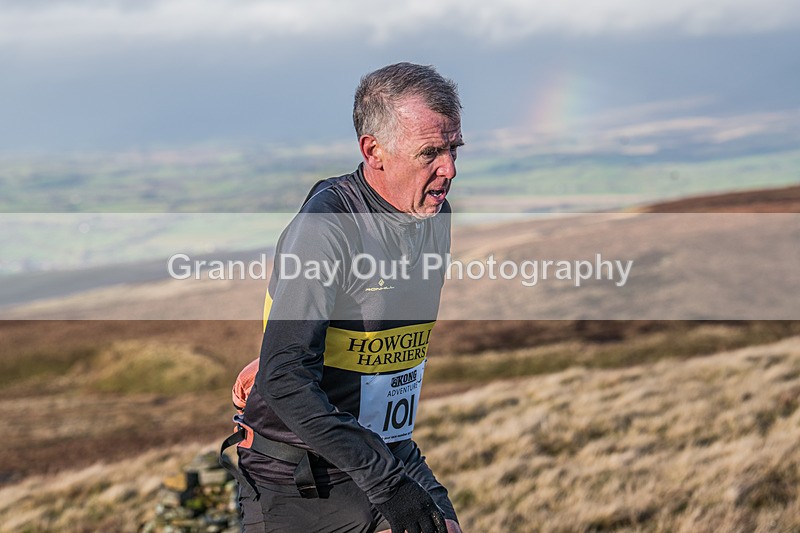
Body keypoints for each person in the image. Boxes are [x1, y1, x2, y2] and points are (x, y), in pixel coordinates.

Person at [235, 62, 464, 533]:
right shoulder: (329, 225)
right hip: (301, 479)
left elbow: (360, 332)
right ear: (373, 150)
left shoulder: (432, 214)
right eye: (431, 153)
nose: (450, 170)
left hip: (388, 452)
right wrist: (278, 362)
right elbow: (285, 377)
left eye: (453, 149)